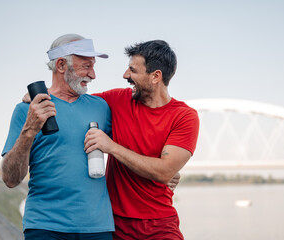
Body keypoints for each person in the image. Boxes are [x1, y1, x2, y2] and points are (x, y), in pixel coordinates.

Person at [1, 34, 115, 240]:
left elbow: (129, 144)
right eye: (86, 66)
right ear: (61, 65)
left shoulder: (101, 107)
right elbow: (10, 180)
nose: (93, 75)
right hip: (45, 227)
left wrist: (167, 167)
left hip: (97, 227)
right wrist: (29, 129)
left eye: (93, 66)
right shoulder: (27, 110)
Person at [84, 40, 199, 239]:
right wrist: (42, 95)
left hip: (160, 225)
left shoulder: (184, 116)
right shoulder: (117, 100)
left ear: (156, 76)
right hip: (115, 225)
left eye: (133, 70)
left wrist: (111, 147)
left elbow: (164, 172)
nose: (125, 75)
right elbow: (73, 102)